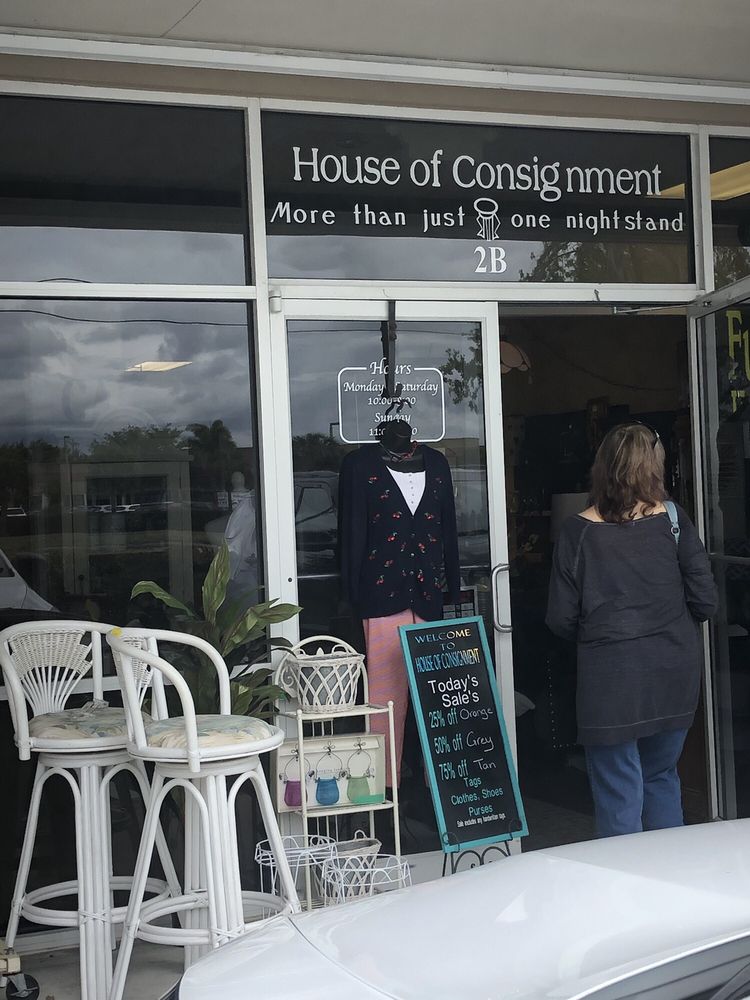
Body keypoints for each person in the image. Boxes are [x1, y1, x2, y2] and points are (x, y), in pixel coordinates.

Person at [545, 422, 717, 838]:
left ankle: (625, 880)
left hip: (610, 681)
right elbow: (706, 601)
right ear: (654, 466)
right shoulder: (673, 520)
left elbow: (560, 618)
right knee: (661, 776)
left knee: (618, 791)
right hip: (673, 673)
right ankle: (668, 874)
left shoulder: (578, 532)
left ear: (602, 466)